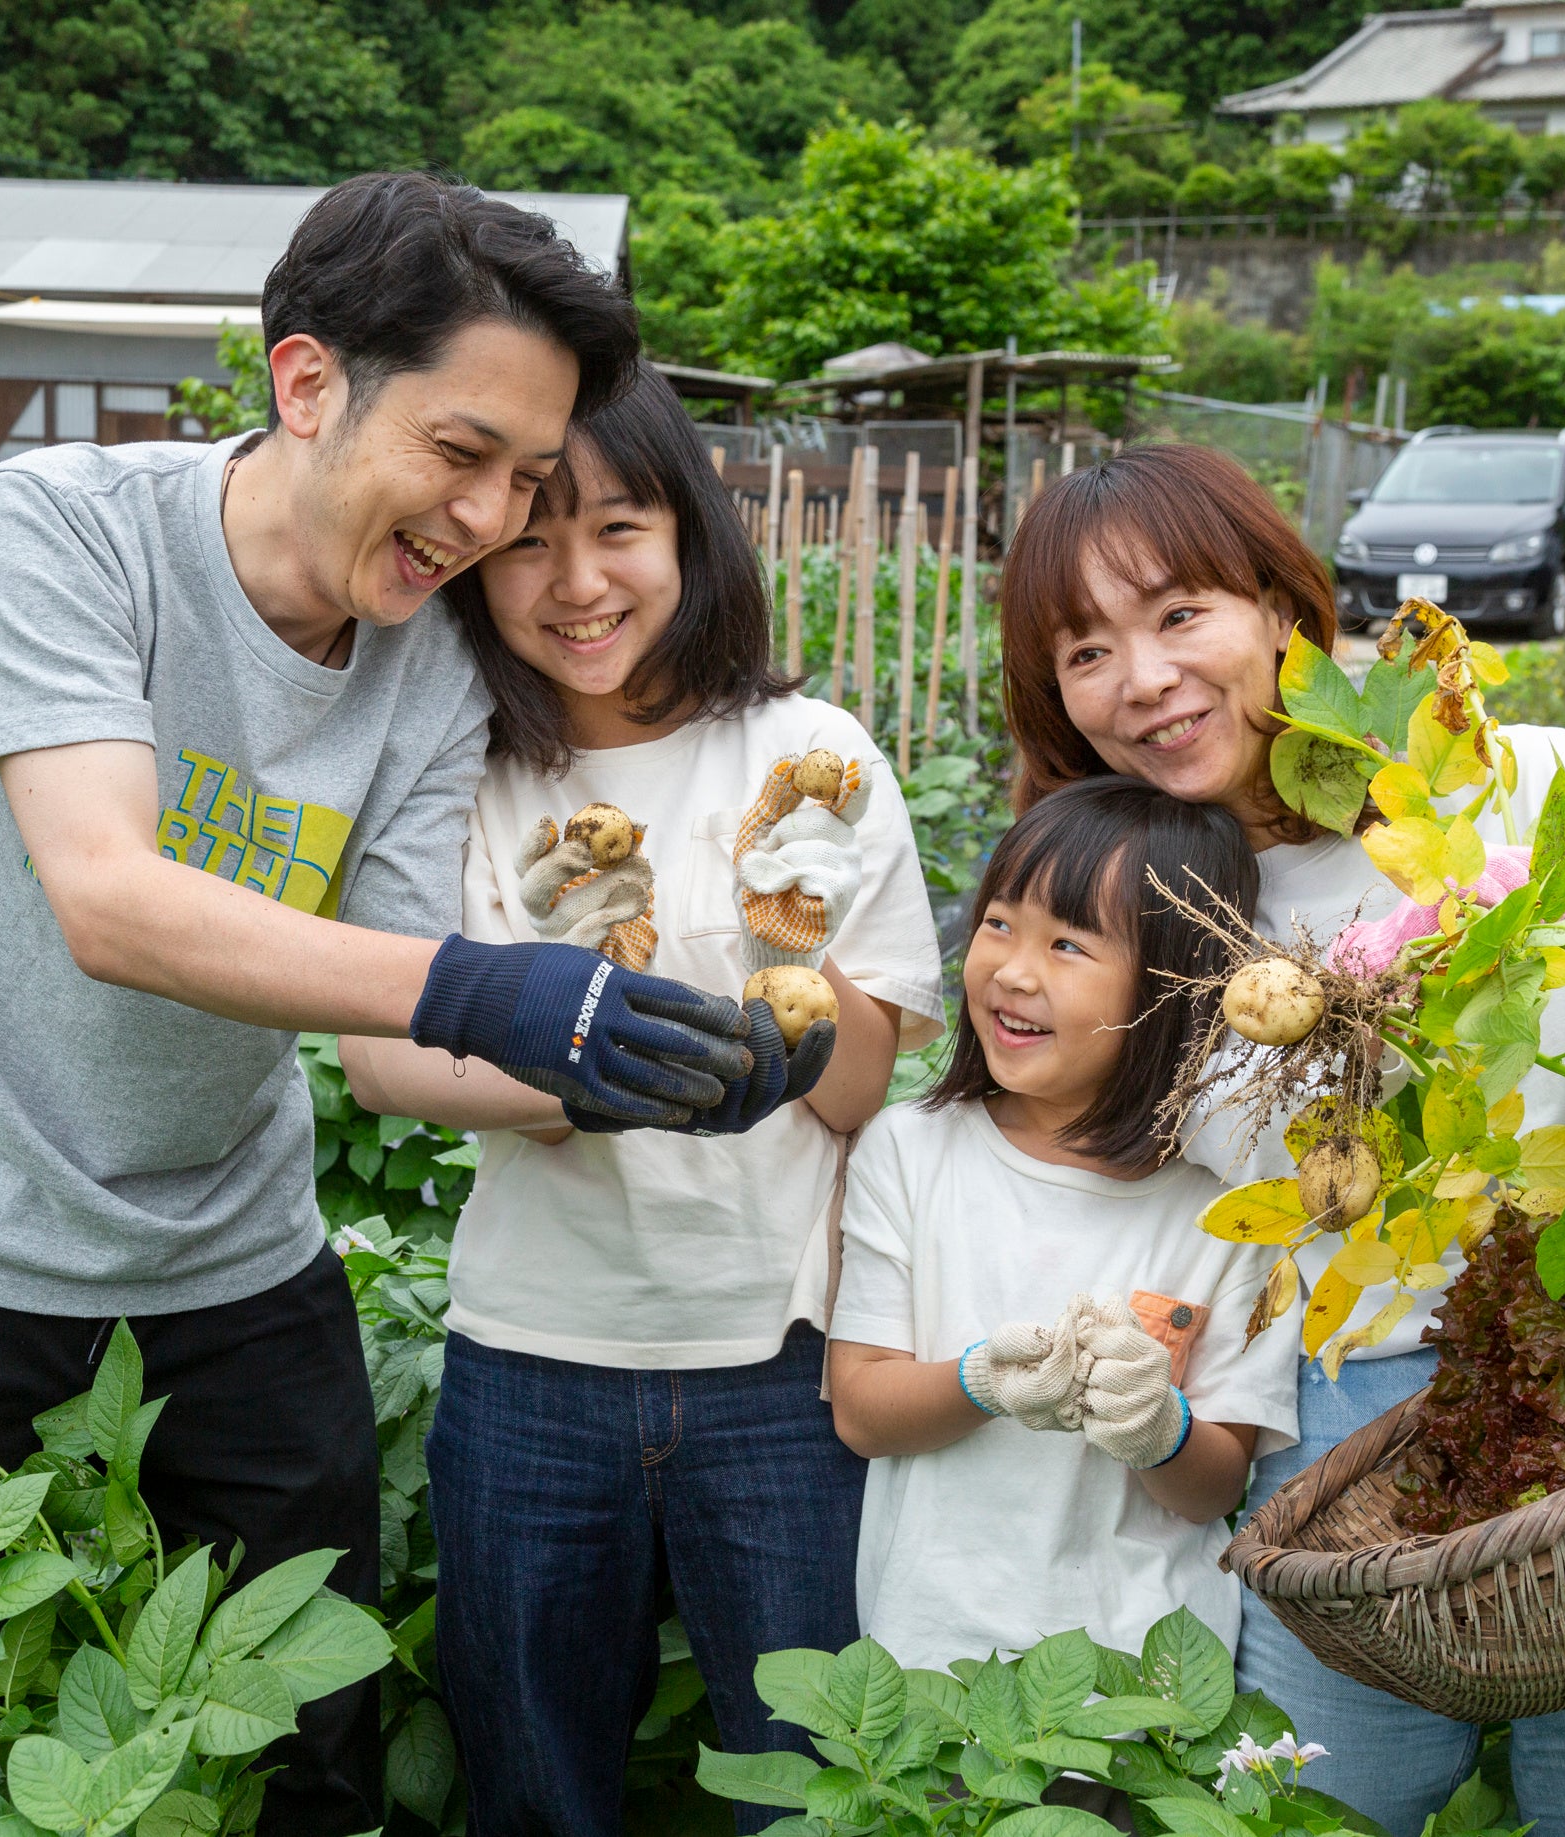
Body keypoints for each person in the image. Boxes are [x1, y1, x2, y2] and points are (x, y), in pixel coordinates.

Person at [0, 178, 823, 1837]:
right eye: (462, 454)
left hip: (232, 1261)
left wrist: (637, 1070)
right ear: (309, 381)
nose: (488, 519)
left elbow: (397, 1042)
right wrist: (496, 986)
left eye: (532, 482)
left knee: (306, 1752)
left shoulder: (426, 660)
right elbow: (110, 896)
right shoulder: (63, 529)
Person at [995, 443, 1565, 1837]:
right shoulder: (1129, 919)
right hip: (1344, 1436)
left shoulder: (1514, 786)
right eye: (1085, 650)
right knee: (1304, 1813)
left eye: (1179, 613)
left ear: (1281, 610)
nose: (1141, 679)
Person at [340, 370, 946, 1837]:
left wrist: (790, 957)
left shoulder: (812, 755)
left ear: (691, 538)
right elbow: (385, 1059)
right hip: (530, 1365)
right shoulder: (458, 770)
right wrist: (586, 1062)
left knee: (813, 1789)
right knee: (536, 1787)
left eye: (622, 528)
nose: (579, 580)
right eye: (532, 542)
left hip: (783, 1370)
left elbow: (865, 1084)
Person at [825, 776, 1297, 1676]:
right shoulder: (912, 1152)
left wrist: (1155, 1424)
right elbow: (862, 1411)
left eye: (1069, 943)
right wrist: (983, 1381)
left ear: (1176, 990)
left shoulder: (1230, 1210)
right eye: (1000, 921)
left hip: (1141, 1681)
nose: (1013, 967)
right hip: (934, 1654)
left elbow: (1214, 1487)